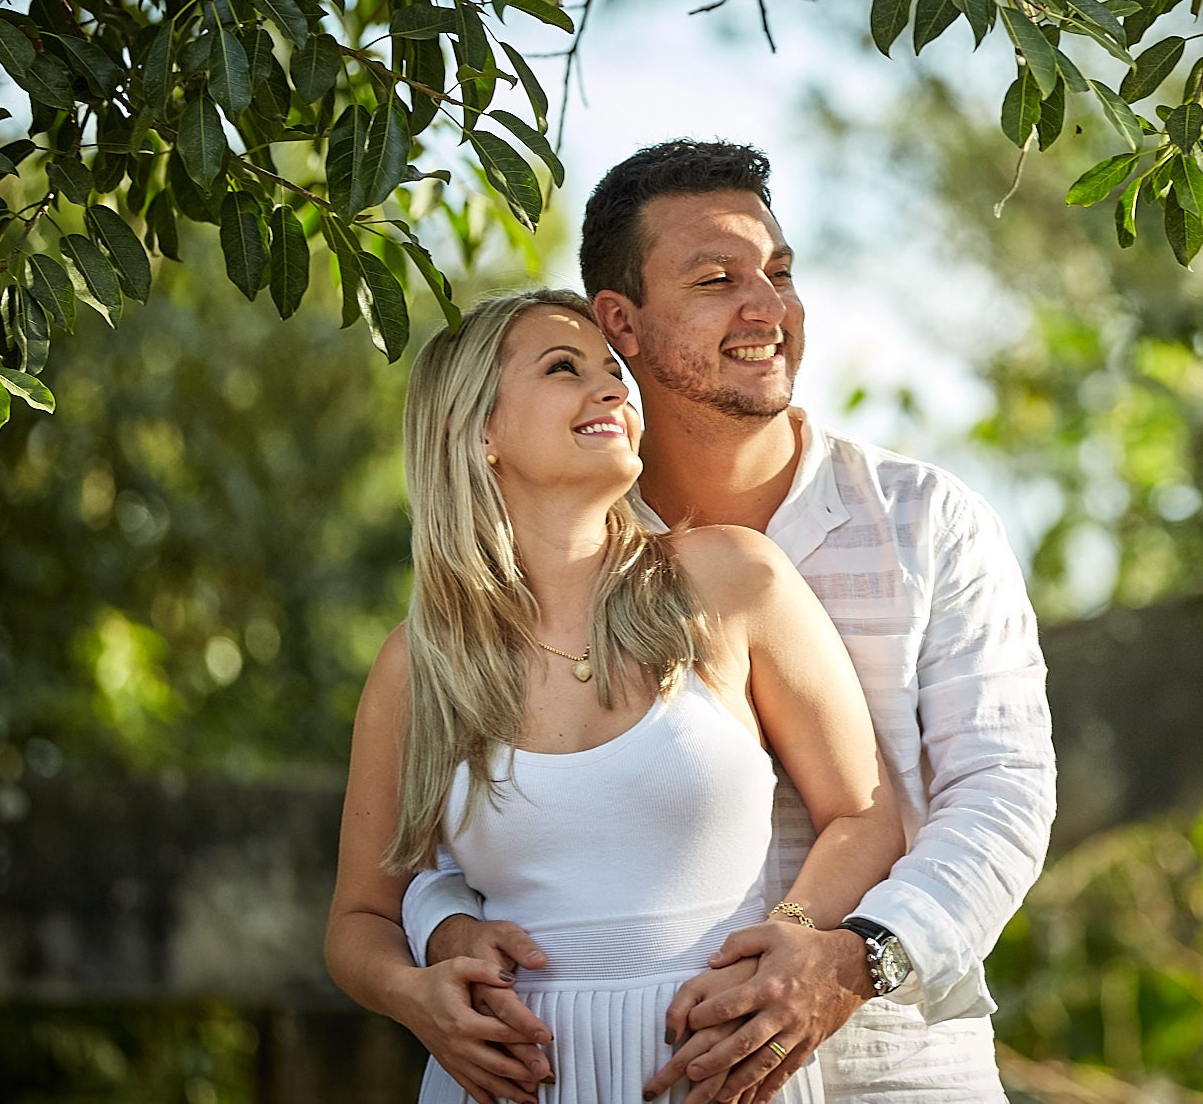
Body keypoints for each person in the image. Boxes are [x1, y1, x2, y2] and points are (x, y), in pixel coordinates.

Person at [401, 141, 1057, 1103]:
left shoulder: (928, 520)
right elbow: (444, 841)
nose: (768, 307)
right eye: (717, 278)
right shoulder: (547, 550)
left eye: (780, 273)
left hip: (898, 1067)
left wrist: (850, 960)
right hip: (619, 1068)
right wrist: (442, 934)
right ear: (619, 321)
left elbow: (1002, 795)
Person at [325, 288, 905, 1104]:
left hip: (716, 1067)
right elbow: (359, 919)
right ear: (480, 430)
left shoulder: (735, 579)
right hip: (514, 1081)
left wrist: (794, 935)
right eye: (565, 367)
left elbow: (866, 813)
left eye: (614, 370)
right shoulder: (419, 663)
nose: (613, 389)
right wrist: (414, 997)